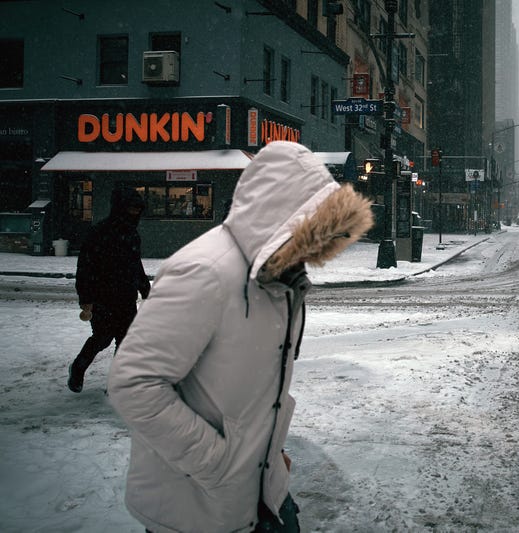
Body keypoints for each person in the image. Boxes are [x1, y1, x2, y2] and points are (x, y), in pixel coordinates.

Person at [107, 141, 374, 533]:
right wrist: (221, 464)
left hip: (265, 490)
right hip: (198, 511)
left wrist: (269, 451)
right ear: (282, 216)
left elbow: (256, 388)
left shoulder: (281, 279)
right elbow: (134, 384)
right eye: (311, 230)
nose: (316, 248)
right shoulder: (204, 272)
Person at [68, 187, 150, 393]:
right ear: (121, 209)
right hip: (102, 297)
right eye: (131, 209)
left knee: (126, 342)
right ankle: (78, 367)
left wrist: (144, 287)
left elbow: (134, 263)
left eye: (138, 210)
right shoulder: (99, 232)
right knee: (103, 338)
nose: (135, 213)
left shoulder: (132, 234)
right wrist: (86, 298)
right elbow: (85, 267)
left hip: (126, 298)